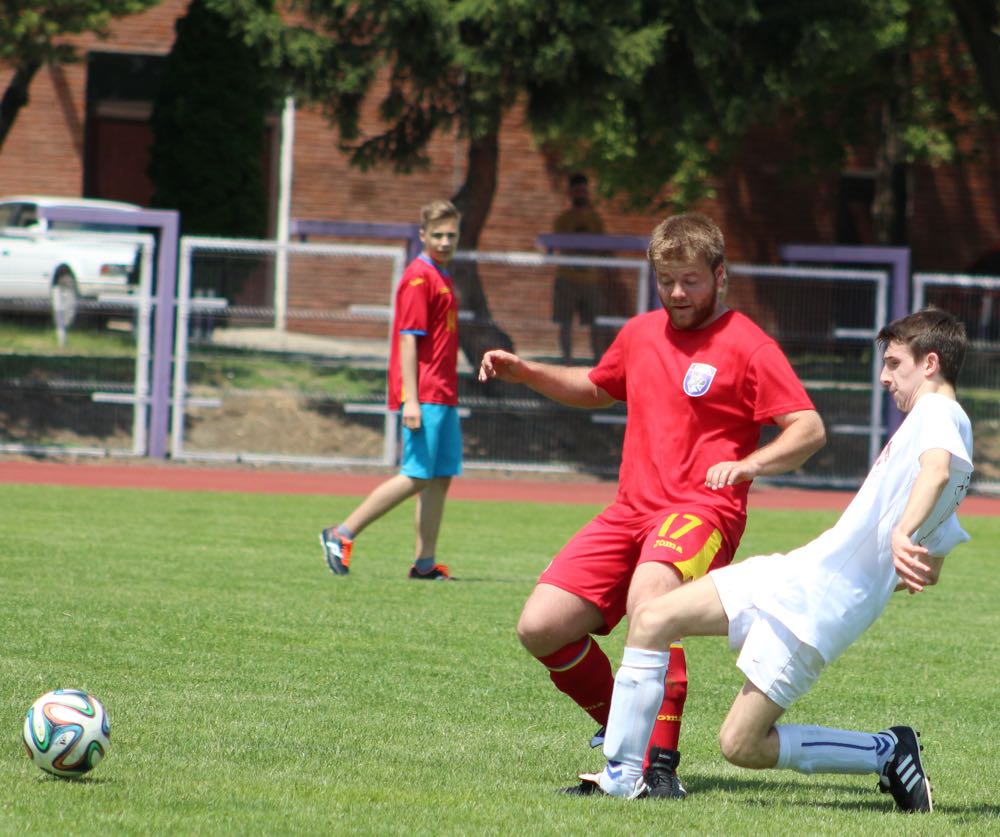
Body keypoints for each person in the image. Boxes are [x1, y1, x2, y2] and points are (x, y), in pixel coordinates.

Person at [478, 213, 826, 797]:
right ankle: (626, 734)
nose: (677, 293)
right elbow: (595, 387)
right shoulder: (640, 333)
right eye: (666, 280)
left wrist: (750, 464)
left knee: (650, 602)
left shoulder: (748, 343)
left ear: (720, 275)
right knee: (540, 627)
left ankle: (654, 765)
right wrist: (527, 371)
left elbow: (808, 428)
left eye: (690, 279)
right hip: (629, 509)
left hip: (700, 510)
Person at [584, 306, 972, 814]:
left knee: (741, 745)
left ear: (930, 363)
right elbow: (932, 565)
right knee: (654, 616)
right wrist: (897, 558)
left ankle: (887, 751)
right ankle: (623, 774)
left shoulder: (938, 414)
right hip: (801, 572)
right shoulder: (948, 431)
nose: (883, 376)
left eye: (895, 363)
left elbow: (935, 472)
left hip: (817, 611)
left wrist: (898, 534)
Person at [320, 200, 462, 581]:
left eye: (451, 234)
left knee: (441, 476)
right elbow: (407, 341)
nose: (445, 241)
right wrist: (411, 399)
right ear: (423, 236)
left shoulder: (442, 274)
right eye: (438, 235)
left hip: (445, 393)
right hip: (426, 393)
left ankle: (425, 564)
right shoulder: (419, 278)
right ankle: (341, 533)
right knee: (416, 475)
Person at [551, 173, 608, 363]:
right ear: (570, 193)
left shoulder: (595, 220)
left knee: (596, 325)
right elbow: (552, 247)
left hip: (590, 281)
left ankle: (599, 363)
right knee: (565, 324)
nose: (580, 194)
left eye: (583, 190)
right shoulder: (563, 220)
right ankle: (566, 362)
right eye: (576, 191)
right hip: (566, 279)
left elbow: (603, 248)